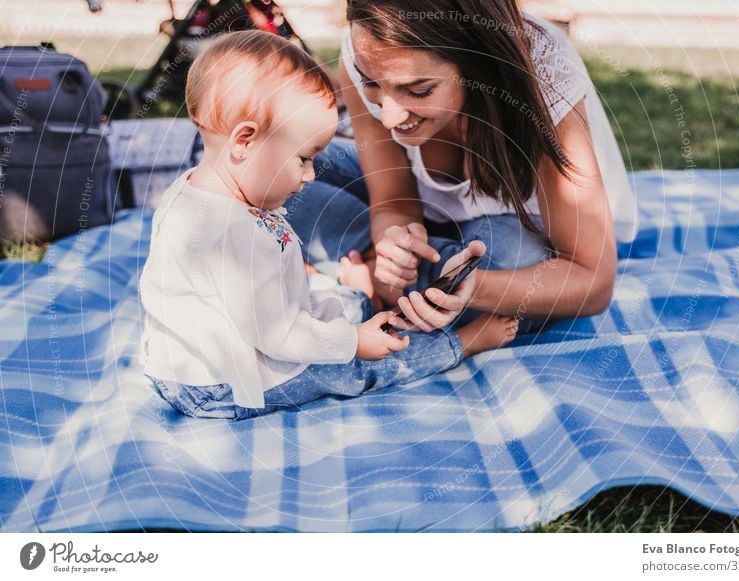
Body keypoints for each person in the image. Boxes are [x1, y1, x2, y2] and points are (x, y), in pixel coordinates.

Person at [138, 30, 518, 421]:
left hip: (185, 367)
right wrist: (352, 342)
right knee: (357, 367)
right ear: (245, 141)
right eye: (303, 158)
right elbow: (279, 336)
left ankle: (364, 294)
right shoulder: (233, 233)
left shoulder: (193, 193)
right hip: (223, 386)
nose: (310, 174)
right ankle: (461, 342)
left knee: (342, 313)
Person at [285, 0, 639, 335]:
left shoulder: (542, 72)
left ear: (477, 64)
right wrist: (394, 242)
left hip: (521, 241)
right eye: (372, 84)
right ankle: (402, 277)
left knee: (504, 259)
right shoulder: (369, 54)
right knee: (275, 168)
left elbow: (592, 281)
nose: (389, 116)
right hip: (429, 220)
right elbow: (394, 202)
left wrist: (474, 287)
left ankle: (377, 280)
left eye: (418, 90)